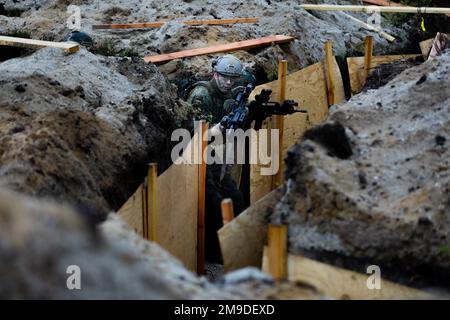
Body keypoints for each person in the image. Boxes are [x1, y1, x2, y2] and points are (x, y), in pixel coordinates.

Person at [186, 54, 252, 263]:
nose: (228, 82)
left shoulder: (236, 89)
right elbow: (196, 138)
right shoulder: (201, 95)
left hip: (216, 155)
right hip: (194, 156)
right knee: (214, 204)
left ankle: (234, 247)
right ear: (215, 73)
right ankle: (214, 254)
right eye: (224, 76)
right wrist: (219, 129)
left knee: (237, 199)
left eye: (233, 78)